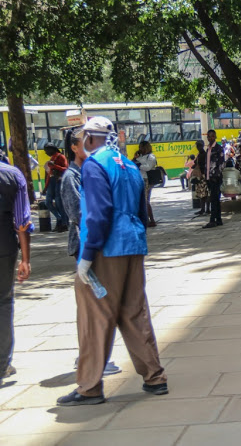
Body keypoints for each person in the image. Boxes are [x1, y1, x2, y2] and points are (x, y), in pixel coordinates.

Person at [57, 116, 167, 406]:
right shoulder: (128, 164)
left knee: (94, 315)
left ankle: (89, 386)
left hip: (107, 248)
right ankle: (154, 376)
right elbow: (143, 208)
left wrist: (87, 255)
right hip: (133, 243)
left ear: (91, 139)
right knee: (134, 311)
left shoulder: (94, 165)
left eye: (84, 137)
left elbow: (97, 213)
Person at [60, 129, 121, 376]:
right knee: (92, 304)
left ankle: (92, 357)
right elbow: (77, 213)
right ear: (75, 147)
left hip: (95, 243)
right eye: (86, 140)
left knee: (97, 303)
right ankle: (91, 359)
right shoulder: (71, 177)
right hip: (85, 246)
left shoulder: (91, 171)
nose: (92, 144)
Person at [0, 161, 32, 382]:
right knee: (3, 303)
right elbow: (22, 222)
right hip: (4, 248)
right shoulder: (12, 175)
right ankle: (2, 365)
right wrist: (26, 259)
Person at [42, 143, 69, 232]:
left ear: (52, 149)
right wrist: (45, 188)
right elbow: (49, 175)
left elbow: (66, 169)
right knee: (48, 202)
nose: (46, 153)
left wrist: (55, 166)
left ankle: (63, 223)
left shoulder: (60, 157)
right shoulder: (52, 158)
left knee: (59, 202)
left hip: (59, 181)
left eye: (47, 150)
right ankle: (60, 218)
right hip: (52, 182)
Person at [203, 130, 225, 229]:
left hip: (215, 178)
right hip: (208, 177)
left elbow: (221, 164)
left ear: (215, 136)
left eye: (212, 136)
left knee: (213, 198)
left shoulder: (218, 148)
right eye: (208, 136)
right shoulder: (208, 149)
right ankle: (219, 219)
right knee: (215, 199)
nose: (210, 138)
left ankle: (212, 220)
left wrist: (216, 176)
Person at [133, 141, 157, 227]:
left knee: (145, 200)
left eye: (142, 148)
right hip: (140, 178)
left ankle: (151, 219)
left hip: (146, 179)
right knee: (143, 200)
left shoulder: (151, 157)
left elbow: (148, 167)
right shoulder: (141, 156)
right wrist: (135, 158)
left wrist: (139, 165)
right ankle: (145, 219)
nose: (140, 149)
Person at [192, 140, 210, 216]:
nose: (197, 147)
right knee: (203, 193)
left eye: (198, 146)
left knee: (204, 193)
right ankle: (204, 209)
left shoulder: (203, 154)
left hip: (203, 176)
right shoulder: (201, 154)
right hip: (202, 175)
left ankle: (206, 209)